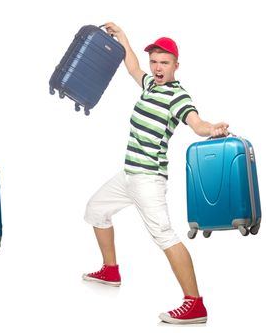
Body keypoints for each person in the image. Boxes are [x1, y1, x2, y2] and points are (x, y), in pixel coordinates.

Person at [81, 22, 229, 325]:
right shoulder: (151, 85)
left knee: (164, 236)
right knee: (96, 210)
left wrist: (210, 129)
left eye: (164, 62)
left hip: (148, 179)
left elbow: (195, 122)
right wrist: (124, 39)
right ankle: (111, 270)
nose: (157, 67)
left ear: (176, 65)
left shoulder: (177, 96)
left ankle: (195, 304)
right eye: (154, 62)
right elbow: (133, 67)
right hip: (129, 175)